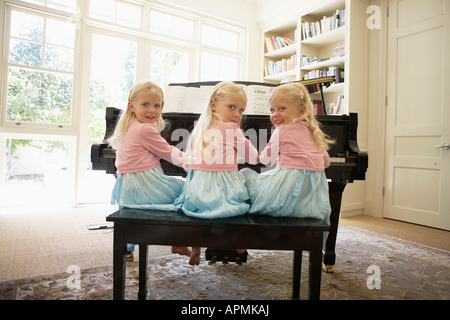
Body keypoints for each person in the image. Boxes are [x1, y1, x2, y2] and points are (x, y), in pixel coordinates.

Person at [174, 81, 259, 265]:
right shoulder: (233, 129)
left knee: (202, 210)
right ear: (214, 105)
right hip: (224, 193)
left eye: (241, 110)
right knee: (249, 183)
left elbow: (187, 160)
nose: (237, 114)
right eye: (232, 107)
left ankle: (196, 247)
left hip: (197, 192)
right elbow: (252, 158)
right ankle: (240, 241)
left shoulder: (201, 128)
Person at [109, 79, 190, 260]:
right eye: (145, 104)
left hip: (128, 186)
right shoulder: (145, 129)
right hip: (145, 185)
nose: (152, 110)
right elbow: (168, 152)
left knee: (181, 194)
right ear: (132, 105)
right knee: (188, 193)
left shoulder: (128, 126)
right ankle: (179, 241)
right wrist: (191, 162)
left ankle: (134, 243)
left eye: (157, 105)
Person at [242, 82, 334, 226]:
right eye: (272, 110)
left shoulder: (282, 130)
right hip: (310, 205)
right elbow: (326, 162)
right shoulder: (314, 132)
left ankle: (240, 233)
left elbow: (266, 161)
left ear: (301, 111)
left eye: (282, 108)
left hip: (282, 202)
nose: (275, 114)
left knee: (245, 175)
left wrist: (245, 150)